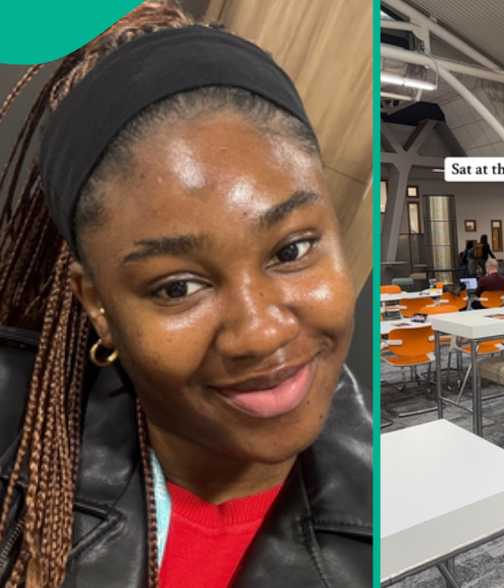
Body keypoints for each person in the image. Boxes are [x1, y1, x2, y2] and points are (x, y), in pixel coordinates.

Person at [0, 4, 370, 586]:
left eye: (292, 250)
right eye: (178, 287)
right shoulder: (15, 465)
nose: (261, 333)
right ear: (98, 305)